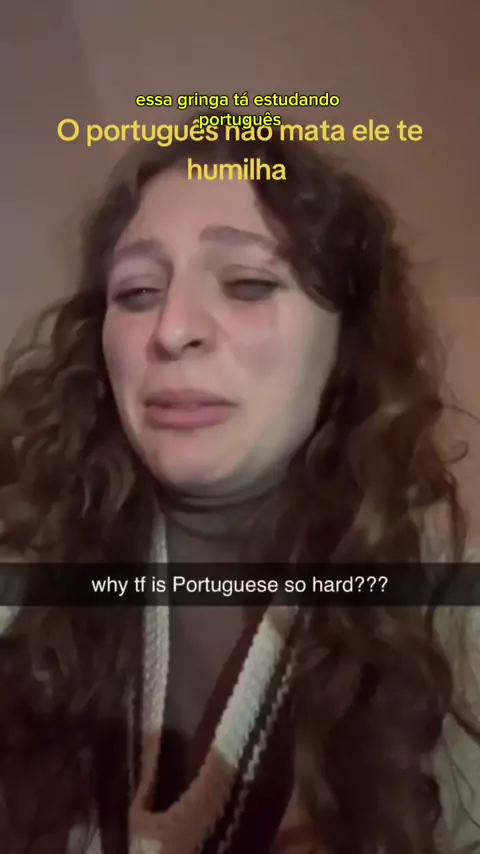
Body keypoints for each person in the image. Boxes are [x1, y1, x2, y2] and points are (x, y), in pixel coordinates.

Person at [0, 113, 479, 854]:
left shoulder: (448, 613)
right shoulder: (32, 570)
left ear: (347, 345)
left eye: (249, 283)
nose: (171, 330)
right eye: (136, 292)